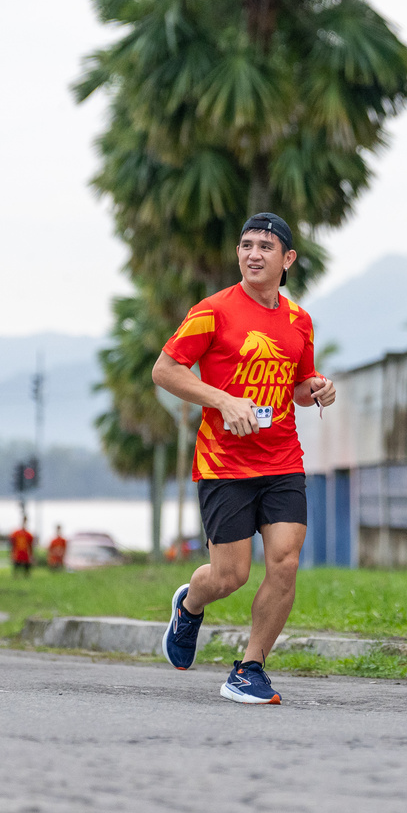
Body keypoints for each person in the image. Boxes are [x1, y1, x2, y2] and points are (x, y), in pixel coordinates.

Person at [152, 212, 336, 705]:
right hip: (225, 464)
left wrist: (318, 388)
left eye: (265, 247)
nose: (254, 254)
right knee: (230, 576)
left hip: (282, 461)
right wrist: (222, 400)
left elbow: (298, 386)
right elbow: (165, 370)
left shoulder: (299, 321)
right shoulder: (212, 311)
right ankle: (190, 604)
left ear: (287, 259)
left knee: (285, 562)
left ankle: (250, 667)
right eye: (247, 245)